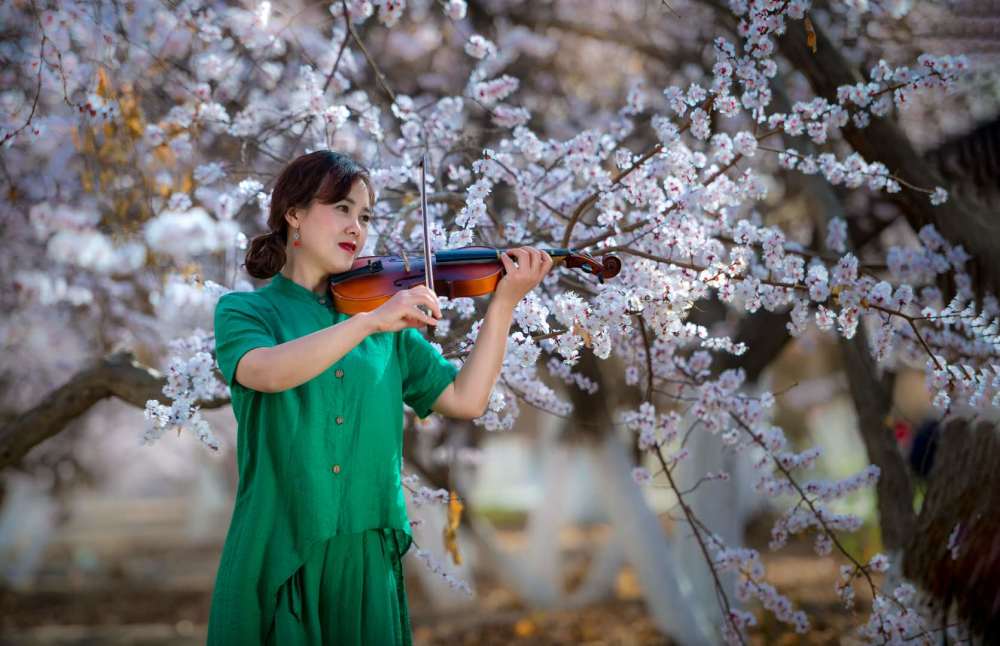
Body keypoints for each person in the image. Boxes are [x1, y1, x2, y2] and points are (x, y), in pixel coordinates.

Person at [207, 150, 552, 645]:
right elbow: (265, 372)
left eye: (366, 215)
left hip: (364, 551)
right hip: (278, 542)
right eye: (343, 208)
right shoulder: (246, 312)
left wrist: (503, 304)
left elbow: (465, 399)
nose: (357, 227)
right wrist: (369, 321)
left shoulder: (384, 321)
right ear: (294, 215)